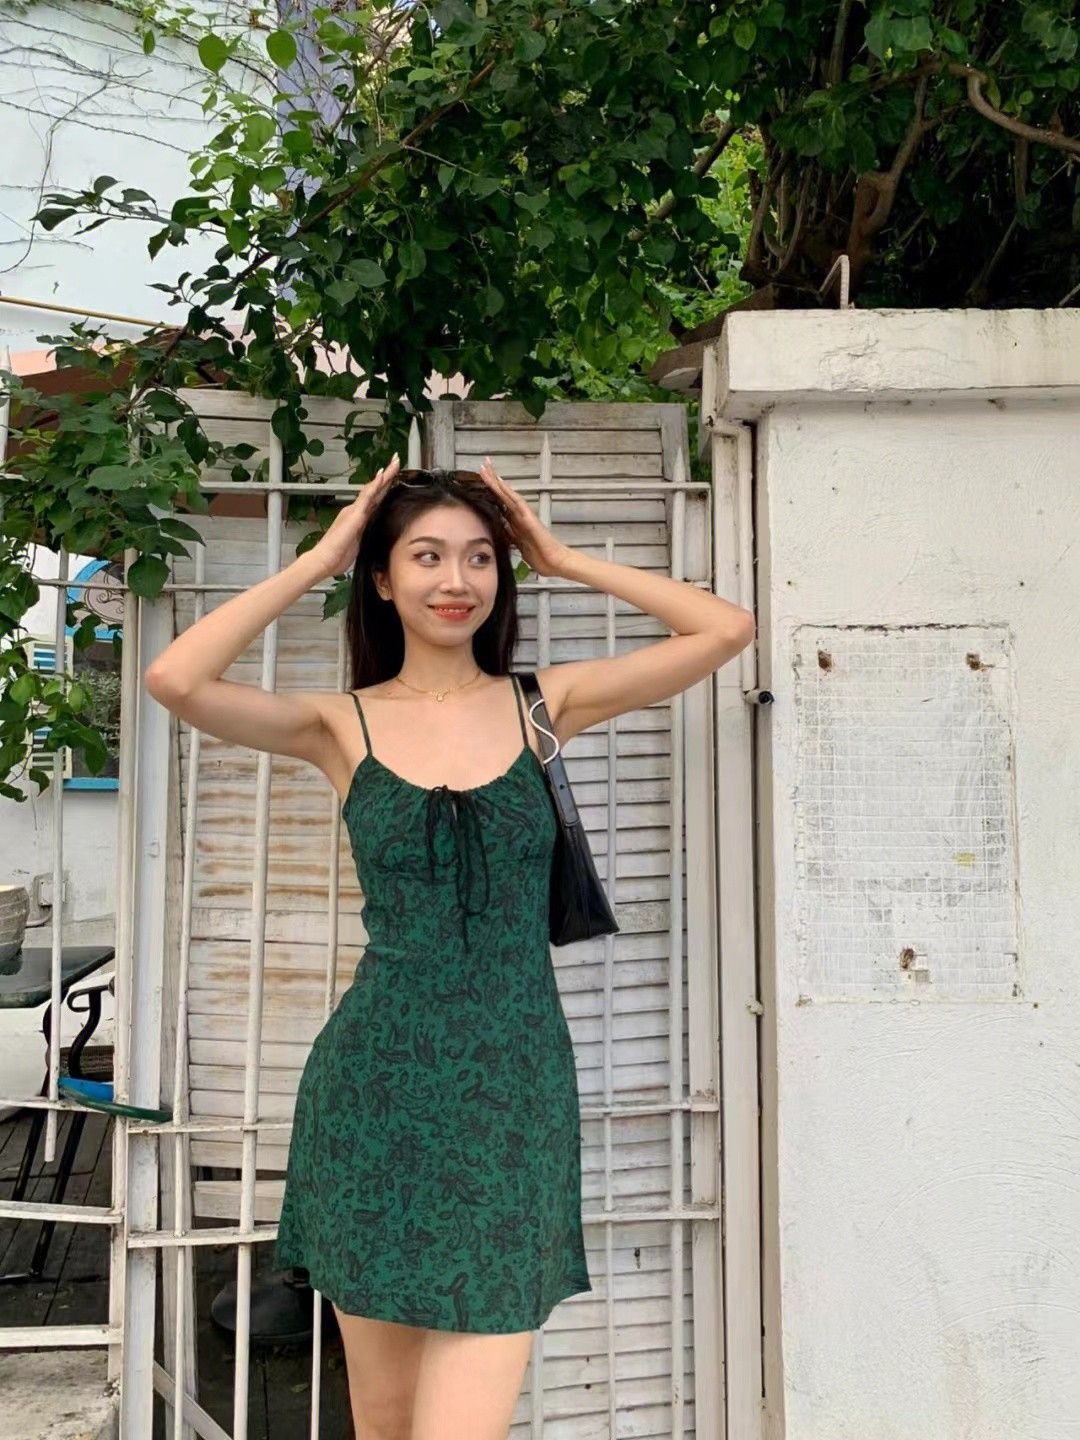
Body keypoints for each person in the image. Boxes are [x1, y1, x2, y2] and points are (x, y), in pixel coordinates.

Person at [144, 453, 755, 1440]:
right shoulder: (338, 724)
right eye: (426, 556)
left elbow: (725, 629)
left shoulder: (545, 705)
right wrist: (321, 558)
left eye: (479, 557)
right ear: (384, 579)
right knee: (385, 1425)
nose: (457, 579)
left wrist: (560, 557)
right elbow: (174, 678)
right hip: (372, 1096)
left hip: (512, 1097)